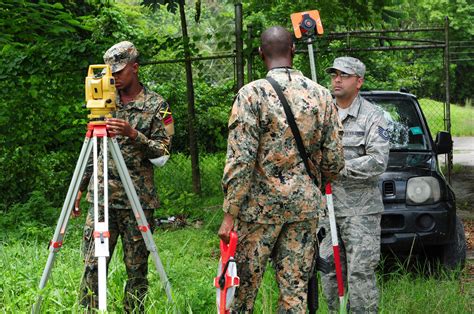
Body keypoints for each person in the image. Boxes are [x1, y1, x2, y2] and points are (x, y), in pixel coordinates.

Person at [217, 26, 344, 313]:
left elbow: (241, 161)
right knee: (295, 292)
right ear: (294, 51)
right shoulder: (322, 96)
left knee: (243, 290)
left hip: (259, 212)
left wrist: (229, 214)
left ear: (261, 54)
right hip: (304, 209)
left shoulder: (251, 95)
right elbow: (335, 161)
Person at [74, 41, 174, 312]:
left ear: (135, 68)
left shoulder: (157, 105)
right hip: (101, 199)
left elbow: (163, 155)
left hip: (137, 202)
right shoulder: (102, 101)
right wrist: (79, 189)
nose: (114, 77)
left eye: (119, 71)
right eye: (110, 72)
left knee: (137, 273)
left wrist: (134, 134)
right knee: (92, 268)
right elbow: (94, 150)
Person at [319, 56, 390, 313]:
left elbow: (378, 160)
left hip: (361, 213)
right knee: (329, 275)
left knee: (360, 275)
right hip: (326, 212)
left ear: (358, 81)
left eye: (344, 75)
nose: (337, 79)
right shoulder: (322, 112)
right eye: (334, 74)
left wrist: (339, 169)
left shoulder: (374, 117)